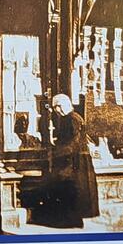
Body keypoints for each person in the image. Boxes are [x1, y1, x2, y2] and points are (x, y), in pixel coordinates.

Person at [37, 94, 100, 228]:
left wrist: (56, 152)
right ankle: (70, 219)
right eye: (55, 108)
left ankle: (70, 220)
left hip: (73, 160)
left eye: (58, 107)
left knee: (70, 187)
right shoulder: (71, 118)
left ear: (63, 105)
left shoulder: (71, 119)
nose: (56, 111)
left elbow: (73, 142)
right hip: (74, 158)